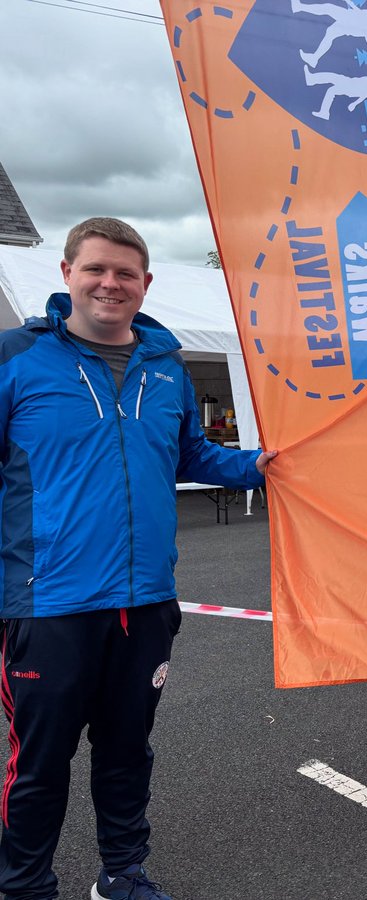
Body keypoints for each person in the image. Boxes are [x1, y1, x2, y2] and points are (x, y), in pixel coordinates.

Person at [0, 218, 276, 900]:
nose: (109, 283)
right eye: (96, 269)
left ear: (145, 284)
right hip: (47, 605)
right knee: (39, 764)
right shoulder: (16, 360)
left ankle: (122, 875)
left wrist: (259, 467)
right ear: (66, 275)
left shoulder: (166, 368)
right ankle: (25, 885)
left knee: (127, 754)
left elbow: (189, 456)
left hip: (146, 603)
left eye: (125, 273)